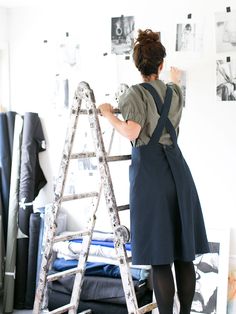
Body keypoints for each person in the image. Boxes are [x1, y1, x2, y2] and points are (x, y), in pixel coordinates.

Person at [98, 29, 209, 314]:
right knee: (184, 255)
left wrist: (109, 112)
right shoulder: (173, 92)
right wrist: (175, 79)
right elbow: (172, 89)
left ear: (138, 65)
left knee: (161, 258)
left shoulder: (134, 94)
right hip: (179, 173)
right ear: (160, 65)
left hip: (152, 176)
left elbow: (131, 130)